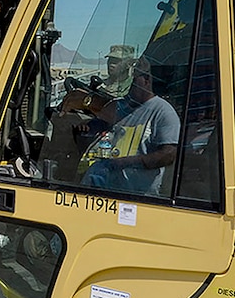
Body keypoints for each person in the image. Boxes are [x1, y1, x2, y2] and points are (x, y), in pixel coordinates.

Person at [62, 57, 180, 195]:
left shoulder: (163, 112)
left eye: (133, 82)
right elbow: (100, 124)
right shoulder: (123, 106)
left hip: (138, 194)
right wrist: (85, 127)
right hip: (105, 184)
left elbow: (169, 155)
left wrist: (130, 162)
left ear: (147, 81)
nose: (129, 89)